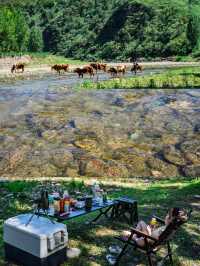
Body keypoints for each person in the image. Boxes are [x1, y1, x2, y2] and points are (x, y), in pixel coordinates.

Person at [122, 207, 187, 247]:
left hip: (144, 241)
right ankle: (134, 234)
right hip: (149, 238)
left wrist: (149, 231)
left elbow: (151, 238)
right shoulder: (170, 227)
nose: (166, 216)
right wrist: (152, 229)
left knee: (124, 232)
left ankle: (134, 235)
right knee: (141, 223)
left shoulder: (167, 228)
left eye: (167, 215)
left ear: (170, 219)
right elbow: (156, 235)